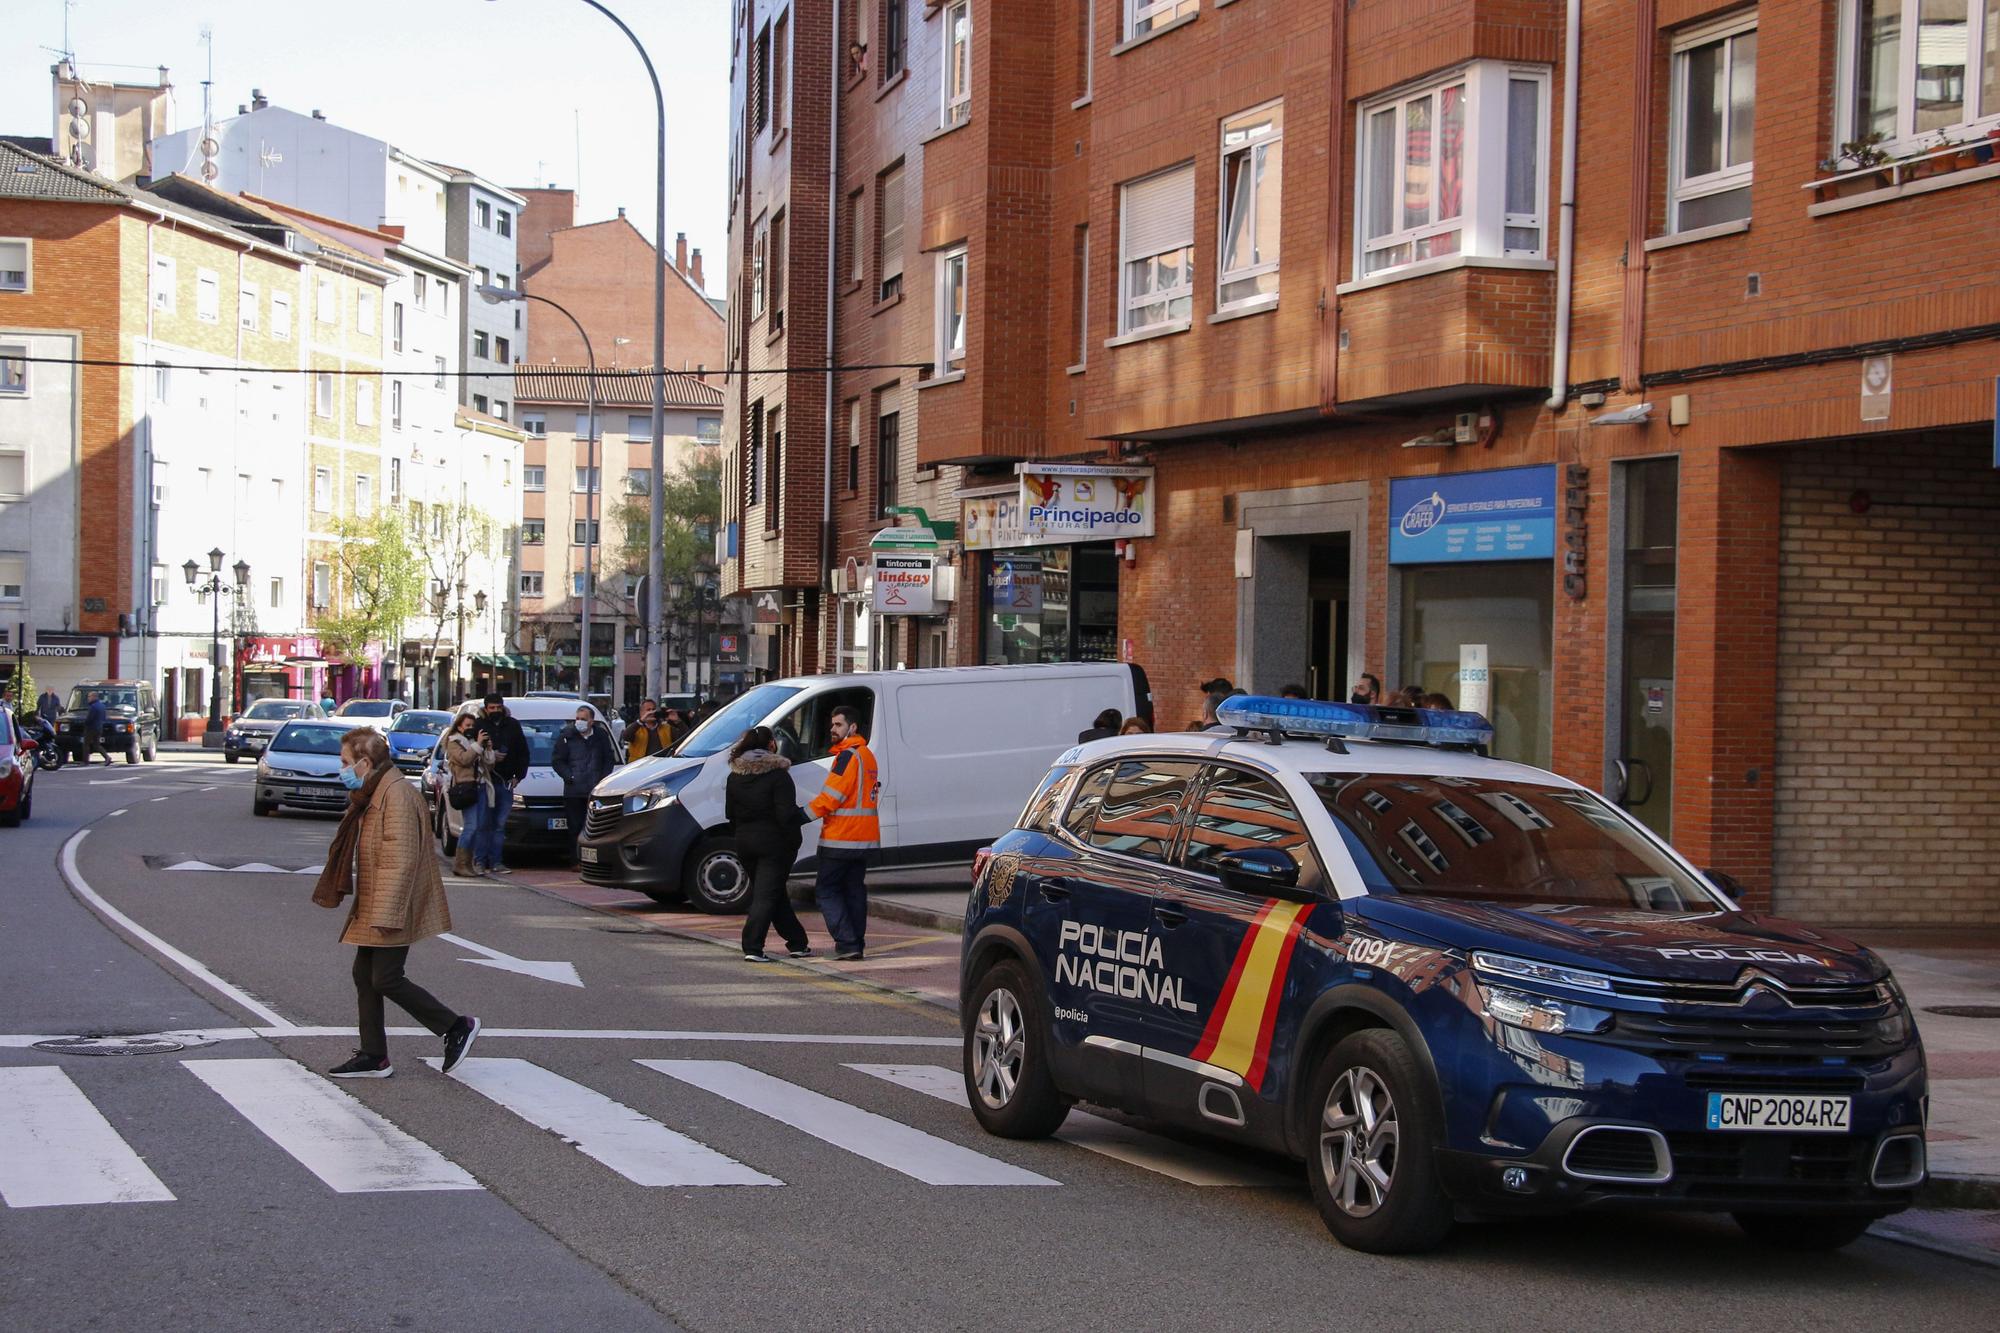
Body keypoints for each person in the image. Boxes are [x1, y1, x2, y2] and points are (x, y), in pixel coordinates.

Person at [312, 727, 480, 1079]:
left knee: (386, 978)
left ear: (364, 762)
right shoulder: (375, 792)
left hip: (392, 904)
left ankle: (455, 1026)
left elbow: (400, 861)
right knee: (365, 975)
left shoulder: (396, 796)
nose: (340, 768)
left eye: (344, 762)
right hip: (377, 900)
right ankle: (374, 1054)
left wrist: (387, 914)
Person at [726, 725, 814, 963]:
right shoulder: (778, 775)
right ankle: (752, 946)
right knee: (766, 896)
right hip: (774, 844)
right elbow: (786, 815)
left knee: (773, 894)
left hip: (745, 842)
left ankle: (798, 942)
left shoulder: (735, 776)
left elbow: (730, 814)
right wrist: (794, 838)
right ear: (771, 745)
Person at [807, 705, 879, 962]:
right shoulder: (867, 755)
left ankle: (847, 943)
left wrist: (800, 815)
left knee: (826, 891)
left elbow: (831, 797)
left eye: (838, 725)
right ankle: (856, 943)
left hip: (841, 838)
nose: (832, 730)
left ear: (853, 727)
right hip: (863, 838)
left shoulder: (848, 756)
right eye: (832, 725)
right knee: (854, 891)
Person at [551, 705, 617, 866]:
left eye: (583, 719)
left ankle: (594, 860)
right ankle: (577, 860)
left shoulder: (600, 736)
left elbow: (609, 758)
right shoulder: (567, 736)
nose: (579, 722)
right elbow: (558, 761)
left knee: (595, 828)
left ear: (591, 721)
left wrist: (603, 779)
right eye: (578, 719)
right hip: (574, 791)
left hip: (595, 790)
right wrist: (569, 776)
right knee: (575, 827)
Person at [473, 693, 528, 875]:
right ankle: (479, 861)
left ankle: (496, 862)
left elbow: (522, 752)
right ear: (486, 708)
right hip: (484, 781)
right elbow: (470, 751)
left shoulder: (513, 725)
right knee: (483, 824)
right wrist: (489, 755)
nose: (495, 711)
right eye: (492, 708)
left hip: (505, 782)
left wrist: (518, 776)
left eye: (498, 707)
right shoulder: (479, 725)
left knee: (499, 825)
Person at [443, 713, 495, 878]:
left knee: (479, 826)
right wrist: (478, 745)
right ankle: (460, 864)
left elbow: (489, 765)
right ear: (459, 726)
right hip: (466, 788)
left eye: (473, 725)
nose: (471, 728)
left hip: (480, 787)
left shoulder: (474, 742)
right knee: (470, 827)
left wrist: (487, 748)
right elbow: (464, 760)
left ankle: (468, 863)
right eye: (467, 725)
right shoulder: (453, 742)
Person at [84, 690, 112, 765]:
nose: (88, 698)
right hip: (99, 727)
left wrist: (85, 723)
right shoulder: (102, 706)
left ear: (94, 697)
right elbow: (104, 717)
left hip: (91, 728)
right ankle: (107, 757)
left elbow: (90, 718)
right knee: (96, 745)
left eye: (89, 696)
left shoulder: (93, 706)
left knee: (86, 744)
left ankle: (86, 761)